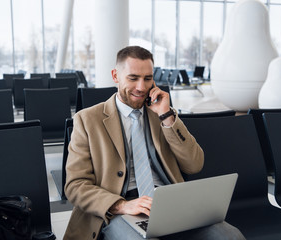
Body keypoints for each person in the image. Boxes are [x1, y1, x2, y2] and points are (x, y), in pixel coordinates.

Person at [63, 46, 245, 240]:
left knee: (230, 237)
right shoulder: (87, 119)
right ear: (115, 76)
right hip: (120, 208)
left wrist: (167, 117)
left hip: (168, 202)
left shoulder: (163, 113)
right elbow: (75, 185)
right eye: (133, 78)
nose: (142, 87)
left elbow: (195, 164)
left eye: (148, 78)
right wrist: (121, 205)